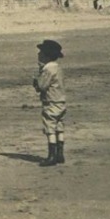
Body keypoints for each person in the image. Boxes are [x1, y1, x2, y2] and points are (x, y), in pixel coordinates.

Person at [32, 39, 67, 167]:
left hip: (51, 101)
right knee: (59, 126)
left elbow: (42, 86)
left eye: (41, 53)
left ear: (46, 56)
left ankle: (51, 156)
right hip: (61, 100)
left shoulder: (47, 69)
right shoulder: (57, 68)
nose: (38, 54)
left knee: (50, 127)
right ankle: (60, 154)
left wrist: (36, 82)